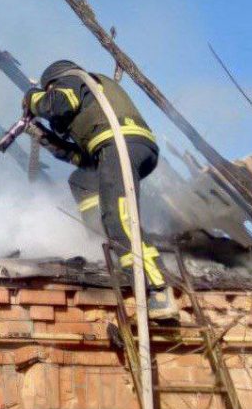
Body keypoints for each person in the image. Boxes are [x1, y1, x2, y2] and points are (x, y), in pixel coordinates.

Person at [23, 60, 179, 321]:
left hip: (120, 144)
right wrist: (43, 137)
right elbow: (83, 160)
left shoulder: (73, 79)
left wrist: (31, 98)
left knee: (119, 218)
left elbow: (57, 104)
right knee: (82, 181)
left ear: (52, 83)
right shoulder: (92, 95)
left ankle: (158, 290)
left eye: (48, 90)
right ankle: (98, 238)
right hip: (125, 147)